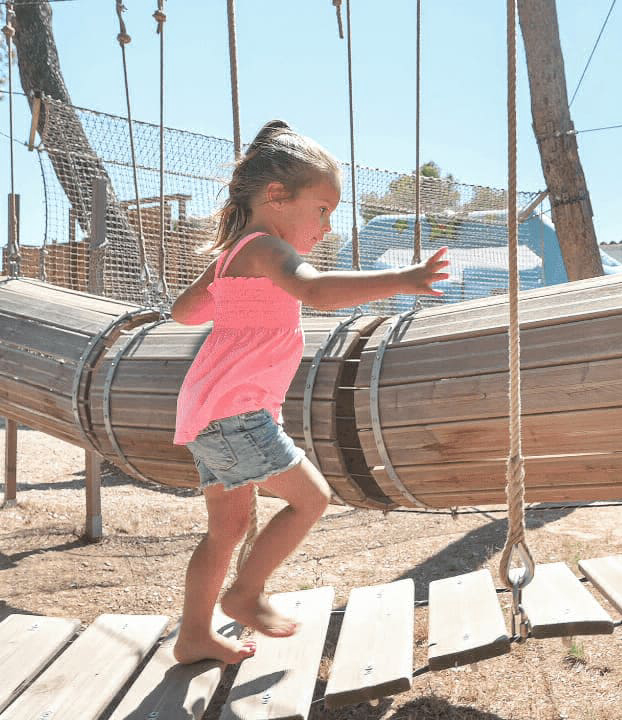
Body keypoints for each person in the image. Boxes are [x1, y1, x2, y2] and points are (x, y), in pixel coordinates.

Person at [169, 120, 449, 664]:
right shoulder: (266, 250)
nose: (326, 226)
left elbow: (182, 313)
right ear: (277, 197)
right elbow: (315, 290)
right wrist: (404, 280)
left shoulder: (237, 255)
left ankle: (194, 636)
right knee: (311, 498)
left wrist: (217, 284)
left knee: (225, 531)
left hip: (208, 409)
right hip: (235, 412)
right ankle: (245, 595)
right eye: (322, 209)